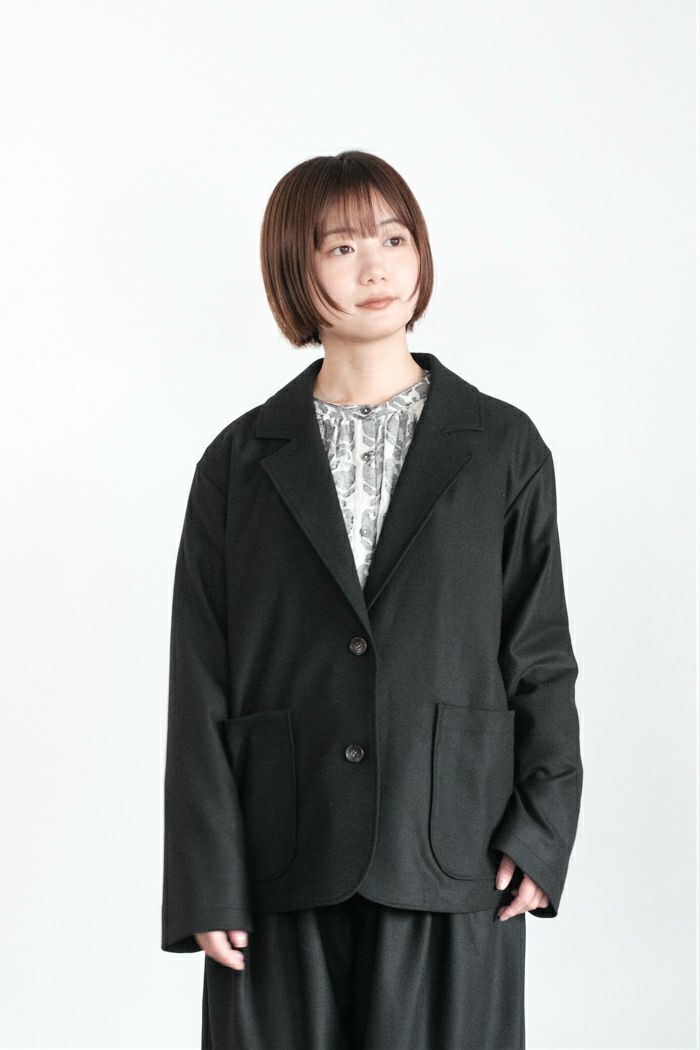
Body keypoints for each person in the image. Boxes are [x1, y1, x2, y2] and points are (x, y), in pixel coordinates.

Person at [161, 150, 583, 1050]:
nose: (376, 267)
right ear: (295, 269)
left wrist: (543, 831)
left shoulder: (501, 447)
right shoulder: (238, 463)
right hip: (280, 862)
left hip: (455, 851)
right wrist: (205, 880)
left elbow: (539, 652)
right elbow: (200, 677)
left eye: (394, 239)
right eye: (342, 247)